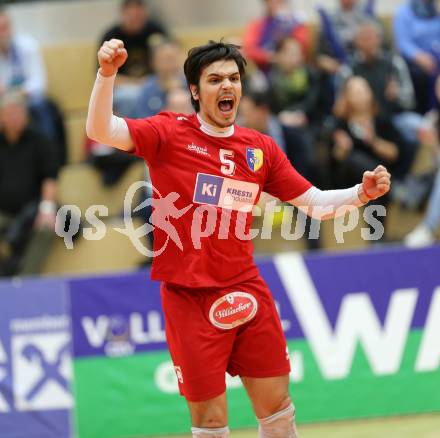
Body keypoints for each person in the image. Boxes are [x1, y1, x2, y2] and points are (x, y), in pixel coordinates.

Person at [87, 39, 391, 437]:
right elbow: (99, 128)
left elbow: (315, 203)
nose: (227, 86)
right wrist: (107, 74)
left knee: (278, 410)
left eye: (233, 78)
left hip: (245, 287)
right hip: (189, 297)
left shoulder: (259, 149)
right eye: (214, 79)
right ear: (195, 91)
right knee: (211, 422)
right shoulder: (168, 133)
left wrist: (360, 193)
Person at [0, 89, 58, 276]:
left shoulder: (39, 140)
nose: (16, 117)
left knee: (47, 228)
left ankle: (26, 281)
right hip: (3, 213)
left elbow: (50, 176)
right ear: (1, 116)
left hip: (32, 210)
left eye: (19, 112)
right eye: (11, 113)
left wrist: (47, 208)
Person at [99, 0, 168, 116]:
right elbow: (105, 76)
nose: (135, 17)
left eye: (139, 14)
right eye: (131, 14)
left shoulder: (156, 31)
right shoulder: (111, 36)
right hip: (125, 88)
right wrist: (139, 83)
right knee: (129, 97)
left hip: (155, 83)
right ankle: (137, 131)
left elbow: (170, 59)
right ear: (123, 13)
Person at [393, 0, 440, 114]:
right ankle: (428, 112)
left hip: (437, 54)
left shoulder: (435, 9)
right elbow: (402, 42)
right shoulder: (404, 12)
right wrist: (419, 56)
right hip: (416, 59)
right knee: (422, 76)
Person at [242, 0, 311, 72]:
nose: (274, 3)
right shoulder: (257, 25)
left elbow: (303, 46)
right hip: (265, 73)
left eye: (279, 1)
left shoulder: (295, 23)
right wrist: (272, 57)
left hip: (293, 71)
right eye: (269, 1)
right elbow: (249, 49)